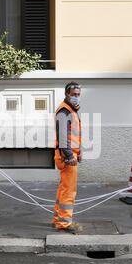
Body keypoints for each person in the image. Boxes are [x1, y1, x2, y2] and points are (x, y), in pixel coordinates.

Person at [52, 82, 83, 234]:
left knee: (63, 188)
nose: (76, 97)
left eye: (78, 94)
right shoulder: (64, 112)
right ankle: (64, 223)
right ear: (66, 94)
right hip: (67, 156)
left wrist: (80, 151)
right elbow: (63, 137)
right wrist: (70, 155)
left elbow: (74, 135)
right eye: (73, 94)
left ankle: (58, 219)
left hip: (70, 154)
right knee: (69, 190)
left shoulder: (71, 110)